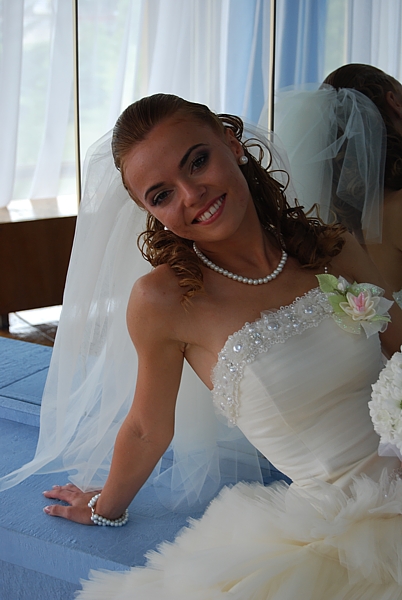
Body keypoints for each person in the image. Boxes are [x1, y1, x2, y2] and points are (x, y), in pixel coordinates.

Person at [34, 93, 402, 599]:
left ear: (233, 145)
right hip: (342, 530)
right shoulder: (165, 300)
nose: (192, 194)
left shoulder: (333, 250)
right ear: (150, 212)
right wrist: (104, 507)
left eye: (198, 161)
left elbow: (399, 350)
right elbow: (146, 427)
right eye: (162, 194)